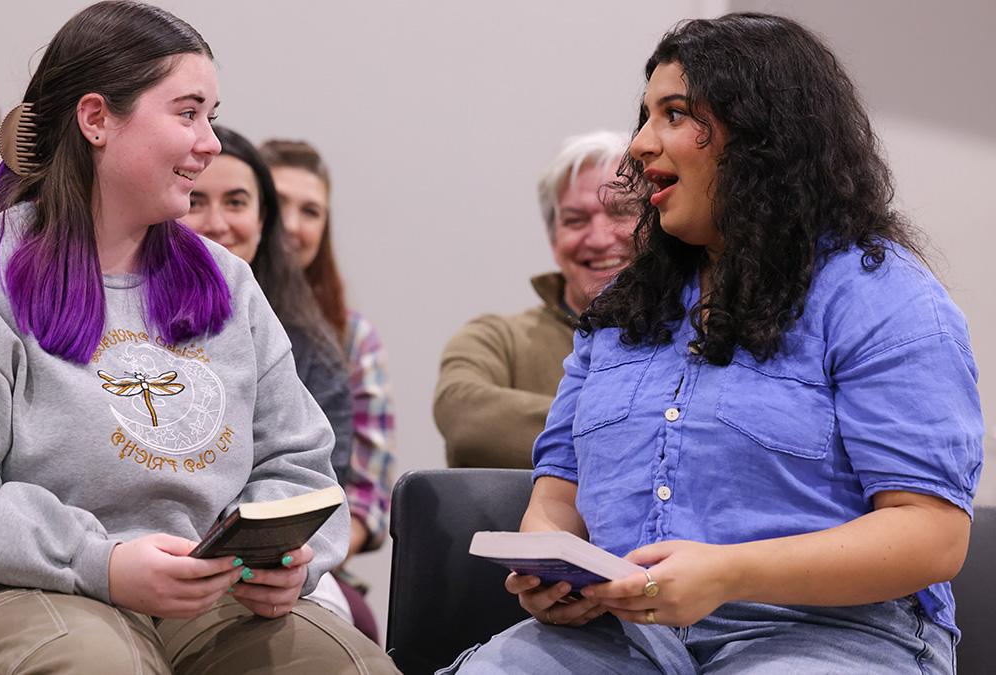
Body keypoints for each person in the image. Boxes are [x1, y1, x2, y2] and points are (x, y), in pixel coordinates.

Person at [445, 13, 982, 674]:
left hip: (834, 634)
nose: (639, 145)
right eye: (645, 116)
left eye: (673, 114)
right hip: (623, 635)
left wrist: (729, 573)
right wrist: (548, 569)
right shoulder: (620, 308)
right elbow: (557, 497)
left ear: (763, 134)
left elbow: (931, 536)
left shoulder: (883, 297)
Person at [0, 4, 395, 673]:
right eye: (188, 113)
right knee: (96, 662)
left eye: (211, 113)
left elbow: (299, 468)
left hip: (194, 595)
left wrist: (284, 557)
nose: (211, 142)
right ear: (97, 119)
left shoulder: (230, 285)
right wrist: (103, 561)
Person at [259, 138, 396, 641]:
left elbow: (366, 494)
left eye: (311, 211)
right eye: (280, 205)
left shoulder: (349, 337)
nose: (293, 225)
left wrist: (306, 553)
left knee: (353, 623)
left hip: (312, 549)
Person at [434, 131, 635, 468]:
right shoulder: (497, 339)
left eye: (620, 211)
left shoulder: (697, 332)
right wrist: (642, 426)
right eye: (575, 220)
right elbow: (464, 419)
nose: (600, 238)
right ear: (553, 238)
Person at [181, 127, 353, 490]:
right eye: (195, 202)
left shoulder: (313, 346)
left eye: (236, 202)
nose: (217, 223)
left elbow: (316, 479)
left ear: (262, 219)